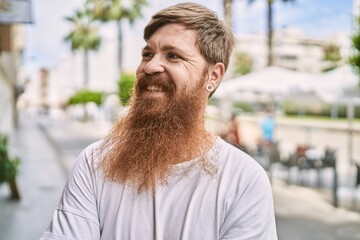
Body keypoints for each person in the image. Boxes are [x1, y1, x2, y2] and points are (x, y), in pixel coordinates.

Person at [40, 3, 277, 240]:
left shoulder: (244, 181)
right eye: (147, 54)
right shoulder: (94, 163)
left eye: (173, 56)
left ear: (213, 76)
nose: (150, 66)